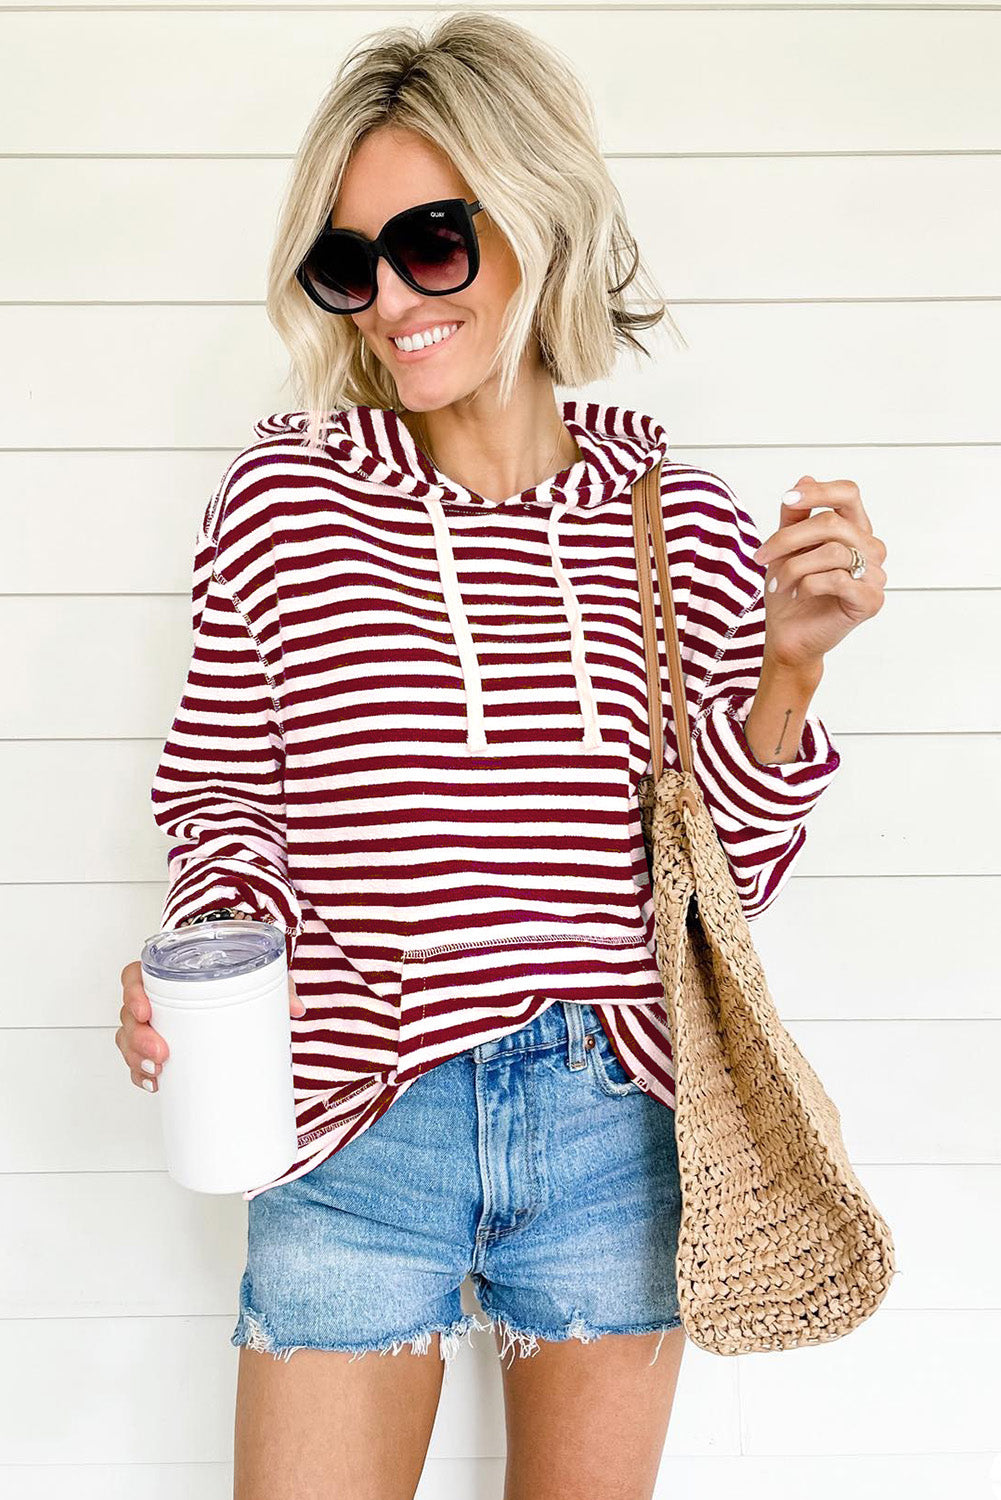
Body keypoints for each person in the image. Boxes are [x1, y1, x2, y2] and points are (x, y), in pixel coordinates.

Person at [115, 11, 887, 1498]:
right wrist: (209, 948)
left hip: (612, 1124)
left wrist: (787, 671)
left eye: (432, 242)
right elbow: (222, 787)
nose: (390, 297)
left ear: (538, 221)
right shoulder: (287, 498)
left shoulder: (681, 520)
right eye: (349, 262)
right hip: (352, 1121)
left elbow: (722, 888)